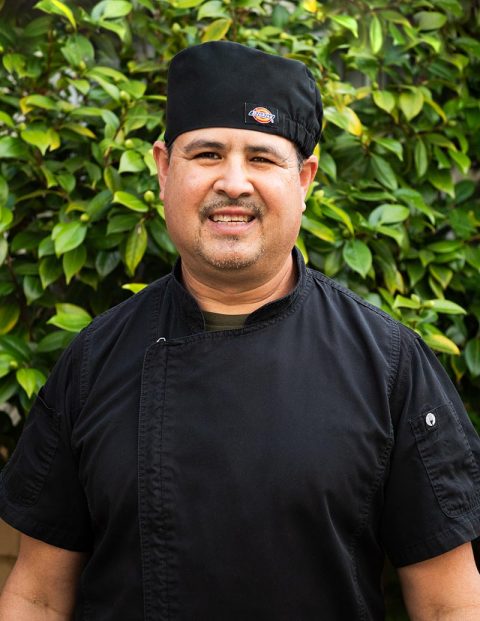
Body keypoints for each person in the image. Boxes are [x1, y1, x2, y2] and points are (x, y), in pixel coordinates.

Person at [1, 40, 480, 621]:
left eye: (261, 158)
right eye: (207, 154)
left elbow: (449, 605)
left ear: (304, 179)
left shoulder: (389, 364)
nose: (233, 182)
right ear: (164, 169)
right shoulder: (93, 360)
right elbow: (37, 597)